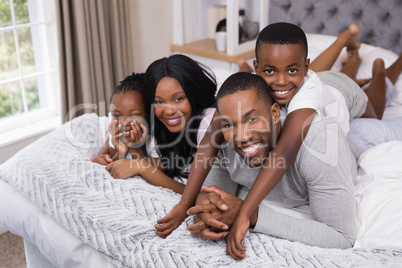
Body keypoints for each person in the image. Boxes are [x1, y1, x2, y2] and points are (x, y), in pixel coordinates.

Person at [186, 72, 357, 259]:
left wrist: (252, 214)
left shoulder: (320, 143)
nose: (242, 137)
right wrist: (205, 210)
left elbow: (342, 237)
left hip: (342, 90)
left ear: (274, 113)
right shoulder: (223, 142)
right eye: (228, 125)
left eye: (252, 119)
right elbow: (212, 193)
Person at [106, 54, 217, 196]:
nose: (169, 111)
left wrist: (142, 167)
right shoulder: (158, 122)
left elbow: (203, 195)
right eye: (159, 102)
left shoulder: (207, 125)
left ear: (194, 93)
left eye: (178, 99)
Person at [92, 73, 150, 164]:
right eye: (117, 115)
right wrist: (119, 154)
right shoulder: (115, 132)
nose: (124, 123)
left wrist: (134, 148)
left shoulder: (152, 141)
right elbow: (100, 158)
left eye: (134, 115)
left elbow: (148, 171)